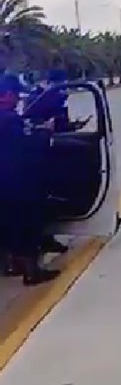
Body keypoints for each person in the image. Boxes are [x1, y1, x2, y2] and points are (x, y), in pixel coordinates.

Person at [0, 75, 62, 285]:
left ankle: (10, 265)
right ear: (7, 95)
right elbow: (28, 147)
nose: (18, 99)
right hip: (15, 183)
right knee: (27, 225)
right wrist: (46, 132)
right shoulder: (9, 119)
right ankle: (31, 272)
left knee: (7, 226)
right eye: (16, 94)